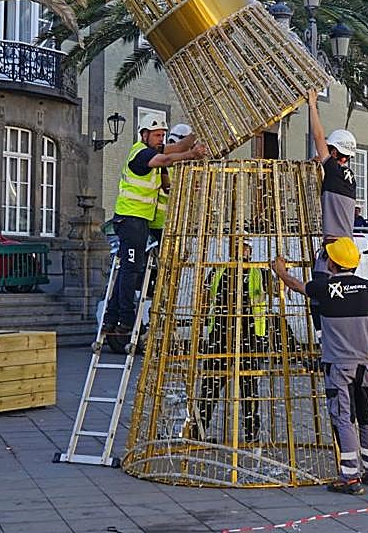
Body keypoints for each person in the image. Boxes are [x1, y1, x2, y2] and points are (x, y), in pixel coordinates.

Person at [271, 237, 368, 495]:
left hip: (338, 364)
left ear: (332, 263)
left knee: (343, 416)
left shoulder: (323, 287)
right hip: (366, 364)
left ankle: (349, 475)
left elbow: (296, 285)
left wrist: (280, 272)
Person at [103, 113, 206, 351]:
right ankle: (125, 320)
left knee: (132, 270)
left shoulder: (154, 148)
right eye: (157, 135)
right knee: (131, 269)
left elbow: (175, 148)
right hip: (132, 219)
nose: (161, 139)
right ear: (144, 134)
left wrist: (195, 136)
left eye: (163, 135)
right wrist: (190, 154)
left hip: (142, 221)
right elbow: (163, 160)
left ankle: (111, 318)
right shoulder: (140, 153)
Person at [193, 240, 269, 445]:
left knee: (249, 388)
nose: (242, 250)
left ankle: (252, 434)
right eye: (238, 246)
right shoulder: (219, 270)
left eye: (245, 247)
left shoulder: (257, 271)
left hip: (249, 336)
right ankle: (198, 431)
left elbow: (271, 290)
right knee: (211, 385)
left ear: (250, 250)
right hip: (219, 335)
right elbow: (206, 296)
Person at [307, 89, 358, 329]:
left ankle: (322, 337)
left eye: (329, 149)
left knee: (319, 295)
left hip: (334, 248)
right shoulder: (348, 177)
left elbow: (317, 136)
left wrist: (312, 105)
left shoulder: (335, 171)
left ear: (335, 152)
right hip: (346, 246)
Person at [149, 123, 193, 244]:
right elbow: (169, 189)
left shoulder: (178, 166)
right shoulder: (169, 165)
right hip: (164, 222)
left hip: (168, 222)